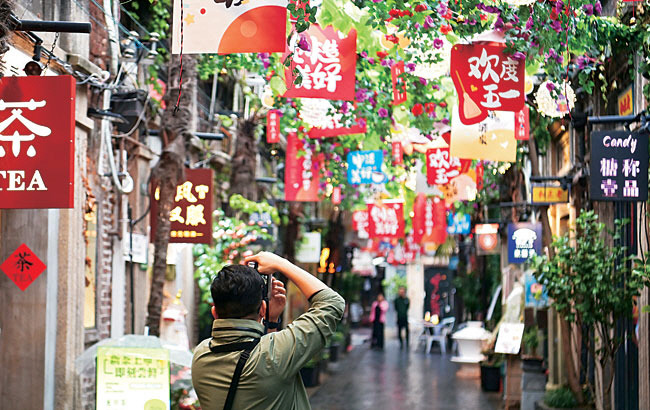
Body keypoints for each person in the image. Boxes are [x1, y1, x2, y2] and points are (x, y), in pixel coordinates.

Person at [192, 252, 345, 410]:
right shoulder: (275, 357)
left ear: (214, 312)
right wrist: (281, 263)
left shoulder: (201, 355)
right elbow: (332, 302)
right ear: (262, 309)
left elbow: (263, 362)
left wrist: (271, 323)